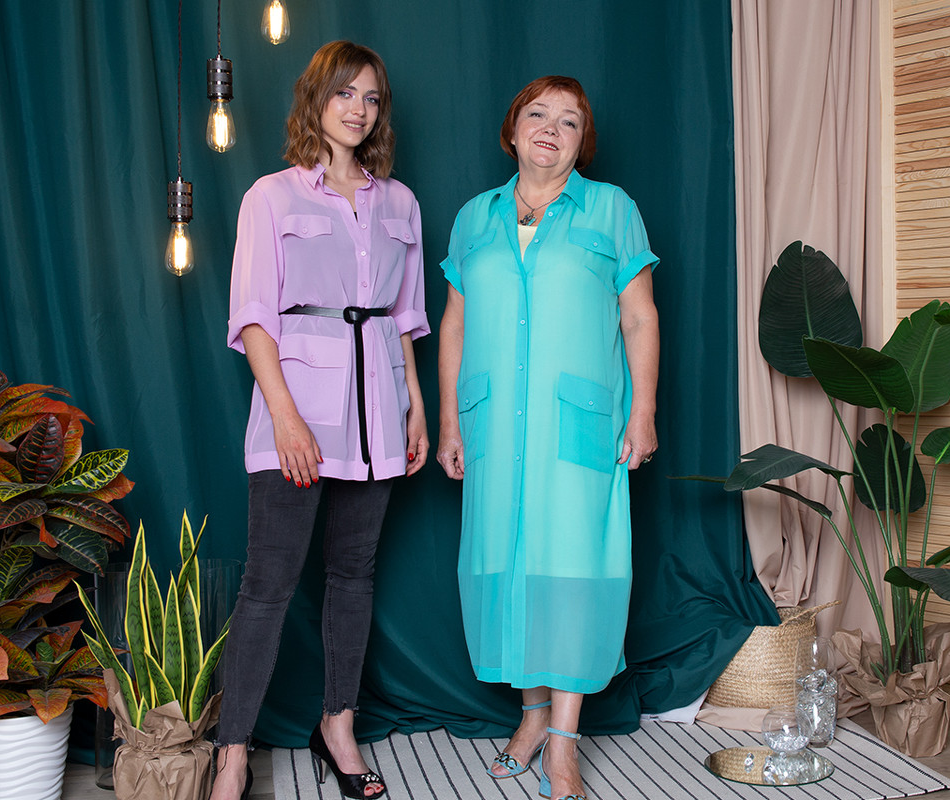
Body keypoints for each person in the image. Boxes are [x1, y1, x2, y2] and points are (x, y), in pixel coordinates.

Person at [214, 41, 428, 800]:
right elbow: (253, 316)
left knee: (353, 575)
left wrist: (416, 409)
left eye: (371, 98)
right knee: (268, 585)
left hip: (378, 413)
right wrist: (286, 419)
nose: (358, 109)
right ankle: (231, 752)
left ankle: (338, 725)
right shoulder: (270, 197)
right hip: (297, 411)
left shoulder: (400, 203)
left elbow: (404, 319)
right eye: (345, 93)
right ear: (316, 98)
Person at [436, 75, 659, 800]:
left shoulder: (612, 209)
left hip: (579, 423)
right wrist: (449, 421)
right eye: (538, 114)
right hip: (493, 421)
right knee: (511, 565)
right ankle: (532, 717)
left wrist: (644, 410)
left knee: (572, 570)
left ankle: (563, 742)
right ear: (512, 129)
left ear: (581, 142)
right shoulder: (474, 217)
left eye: (569, 121)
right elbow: (455, 325)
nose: (551, 129)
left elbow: (638, 317)